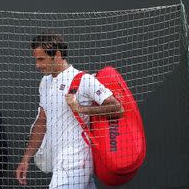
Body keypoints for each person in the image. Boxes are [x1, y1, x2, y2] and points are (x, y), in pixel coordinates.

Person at [15, 33, 123, 188]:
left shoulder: (84, 80)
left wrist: (80, 108)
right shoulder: (45, 82)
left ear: (57, 55)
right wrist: (26, 158)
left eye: (41, 59)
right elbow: (41, 121)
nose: (37, 65)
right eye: (36, 59)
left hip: (76, 160)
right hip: (58, 161)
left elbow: (117, 108)